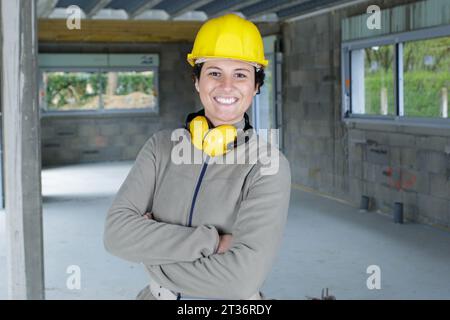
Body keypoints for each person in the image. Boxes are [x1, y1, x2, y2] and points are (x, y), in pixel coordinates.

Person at [103, 13, 291, 300]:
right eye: (214, 72)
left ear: (255, 87)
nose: (226, 86)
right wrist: (212, 242)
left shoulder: (267, 165)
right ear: (197, 81)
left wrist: (152, 254)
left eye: (240, 74)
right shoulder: (160, 147)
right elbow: (116, 236)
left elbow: (239, 282)